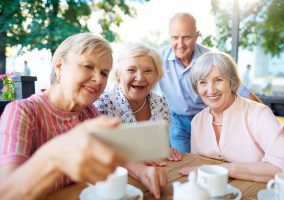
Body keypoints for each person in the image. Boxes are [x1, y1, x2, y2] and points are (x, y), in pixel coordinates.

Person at [0, 33, 166, 200]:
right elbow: (6, 193)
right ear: (59, 66)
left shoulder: (89, 112)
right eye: (88, 66)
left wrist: (144, 171)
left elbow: (113, 153)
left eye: (104, 72)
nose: (98, 79)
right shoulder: (21, 111)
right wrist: (56, 156)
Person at [179, 52, 284, 182]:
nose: (211, 90)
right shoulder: (198, 121)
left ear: (231, 82)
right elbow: (198, 166)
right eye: (203, 82)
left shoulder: (259, 114)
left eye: (218, 80)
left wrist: (227, 169)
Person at [156, 12, 261, 153]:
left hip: (207, 118)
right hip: (177, 120)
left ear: (197, 36)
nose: (180, 44)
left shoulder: (210, 59)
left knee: (210, 158)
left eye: (186, 37)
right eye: (175, 37)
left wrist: (266, 120)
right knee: (182, 160)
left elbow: (242, 91)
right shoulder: (157, 59)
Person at [94, 43, 182, 163]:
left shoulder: (160, 104)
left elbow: (161, 146)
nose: (140, 78)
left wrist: (165, 150)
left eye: (148, 71)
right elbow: (99, 154)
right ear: (118, 74)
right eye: (131, 70)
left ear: (157, 75)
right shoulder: (102, 105)